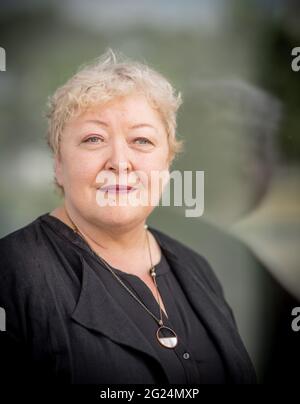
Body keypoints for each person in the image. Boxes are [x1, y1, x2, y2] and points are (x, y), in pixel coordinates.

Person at [0, 49, 256, 384]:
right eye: (94, 139)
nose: (120, 162)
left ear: (166, 165)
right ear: (59, 165)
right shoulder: (11, 273)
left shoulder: (197, 270)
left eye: (142, 140)